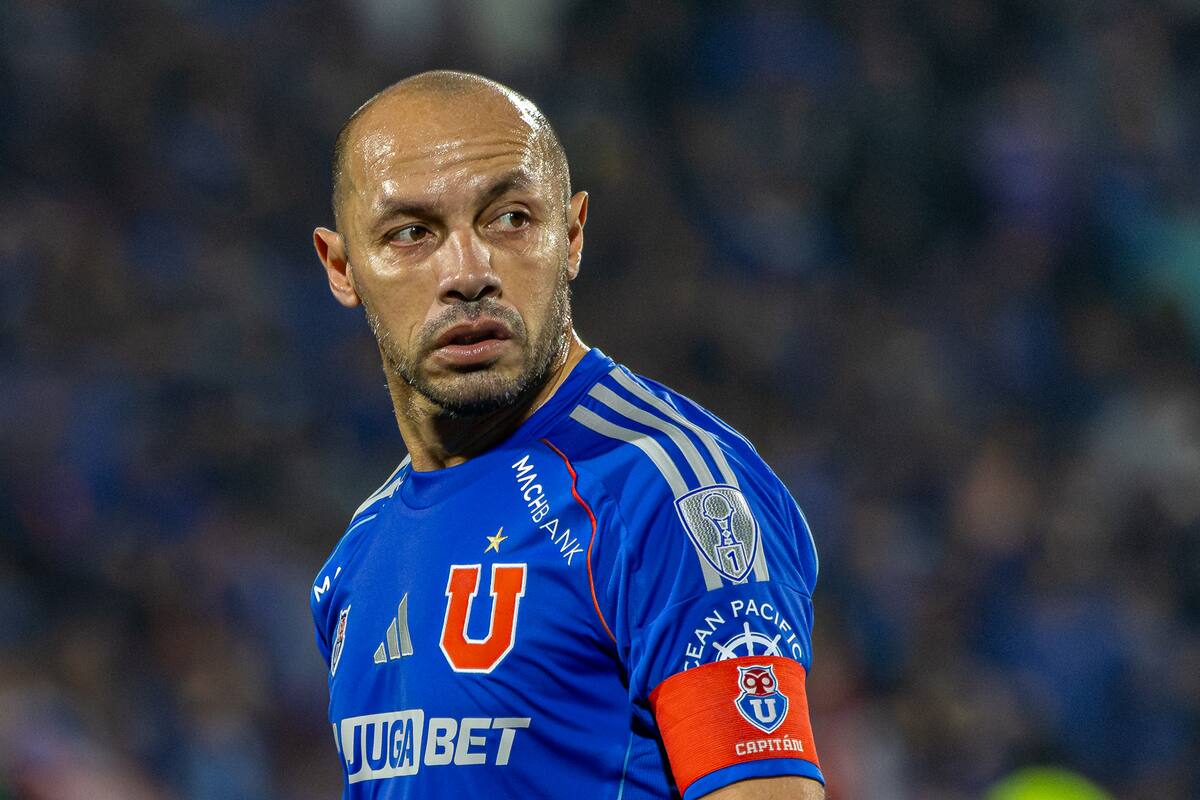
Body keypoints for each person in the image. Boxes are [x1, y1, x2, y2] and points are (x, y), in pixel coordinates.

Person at [310, 70, 825, 799]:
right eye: (412, 233)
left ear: (573, 234)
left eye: (510, 218)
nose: (469, 271)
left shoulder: (665, 491)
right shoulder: (353, 561)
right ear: (342, 266)